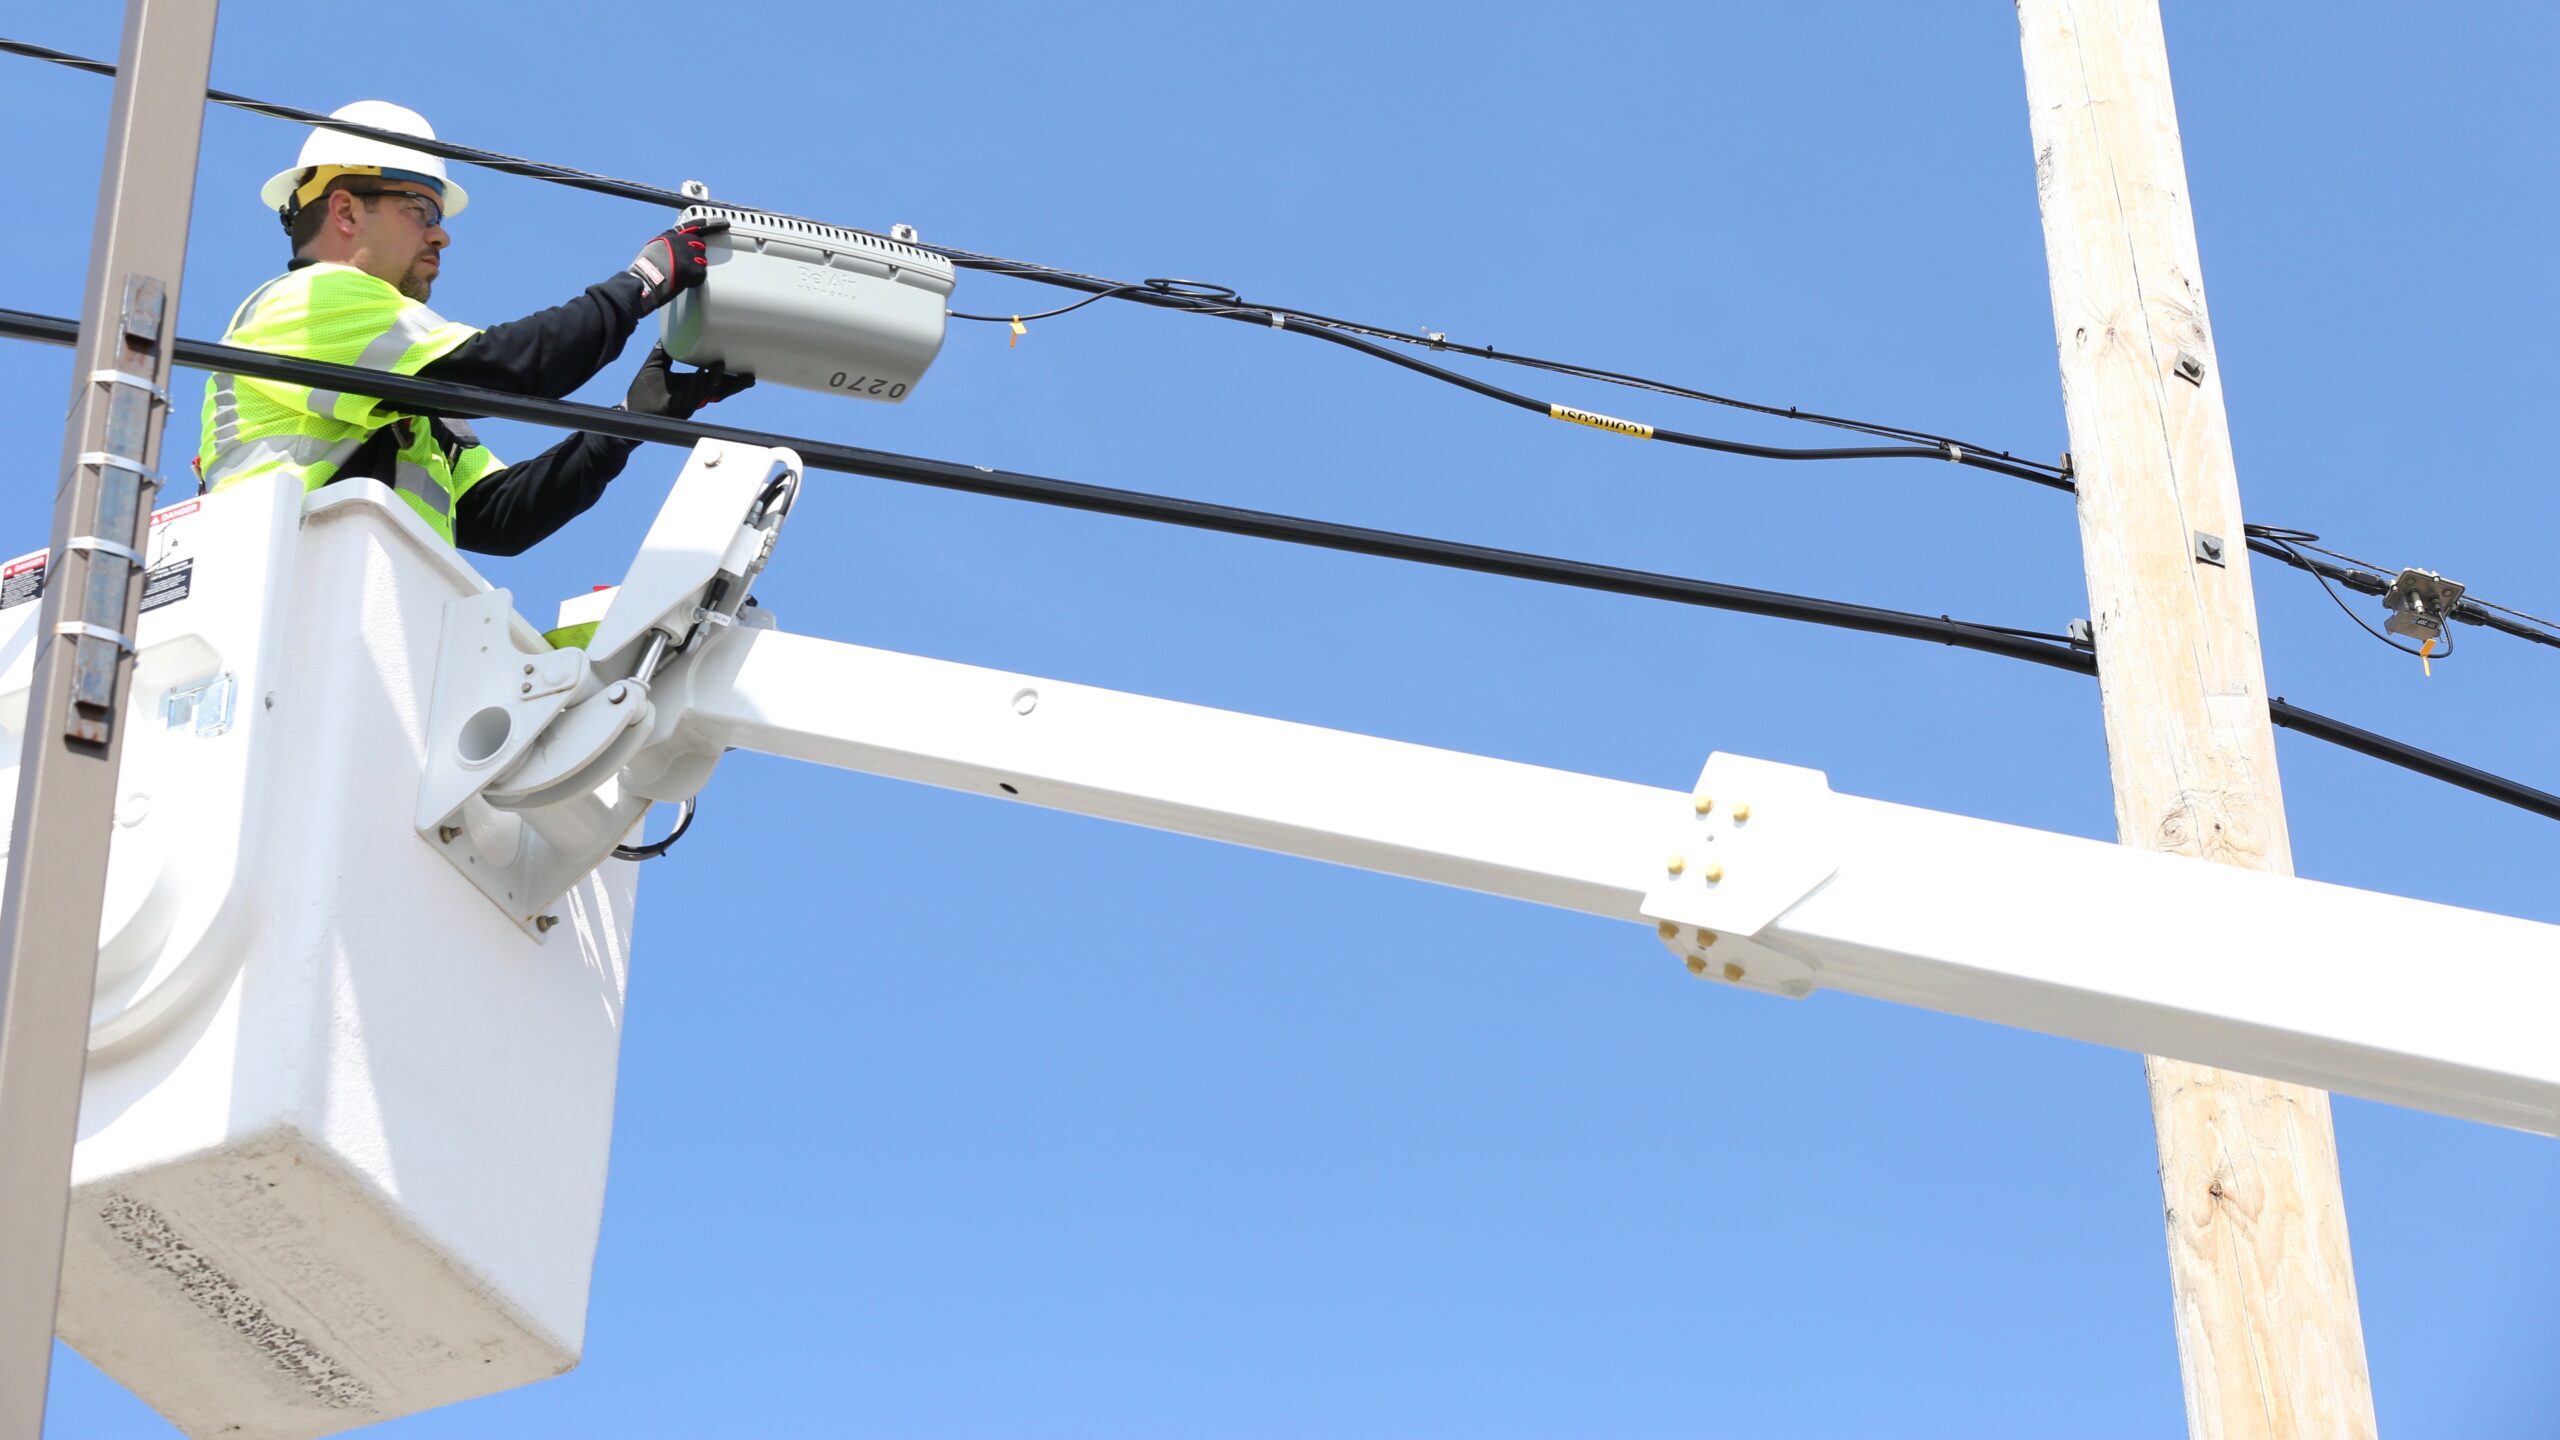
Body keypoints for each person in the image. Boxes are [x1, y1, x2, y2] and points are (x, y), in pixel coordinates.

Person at [197, 100, 752, 555]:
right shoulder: (310, 299)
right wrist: (643, 283)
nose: (442, 236)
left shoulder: (398, 385)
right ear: (345, 211)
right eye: (422, 210)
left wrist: (628, 423)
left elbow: (497, 517)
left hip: (356, 615)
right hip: (290, 595)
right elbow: (502, 368)